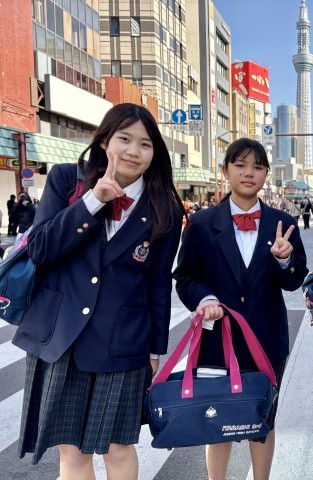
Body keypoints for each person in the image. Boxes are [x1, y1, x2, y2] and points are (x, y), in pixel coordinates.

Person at [13, 103, 186, 478]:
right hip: (62, 338)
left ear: (154, 153)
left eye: (145, 144)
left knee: (119, 449)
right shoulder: (67, 180)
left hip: (124, 342)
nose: (133, 151)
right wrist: (93, 201)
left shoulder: (165, 208)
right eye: (124, 139)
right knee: (72, 452)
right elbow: (41, 249)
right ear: (104, 140)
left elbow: (158, 284)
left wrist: (155, 350)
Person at [173, 138, 308, 480]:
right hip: (217, 340)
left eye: (258, 167)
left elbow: (294, 281)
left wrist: (284, 260)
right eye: (241, 165)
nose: (249, 173)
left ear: (266, 174)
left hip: (267, 339)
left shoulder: (282, 222)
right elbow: (185, 277)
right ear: (225, 171)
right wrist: (205, 299)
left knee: (263, 420)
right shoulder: (202, 224)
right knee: (218, 419)